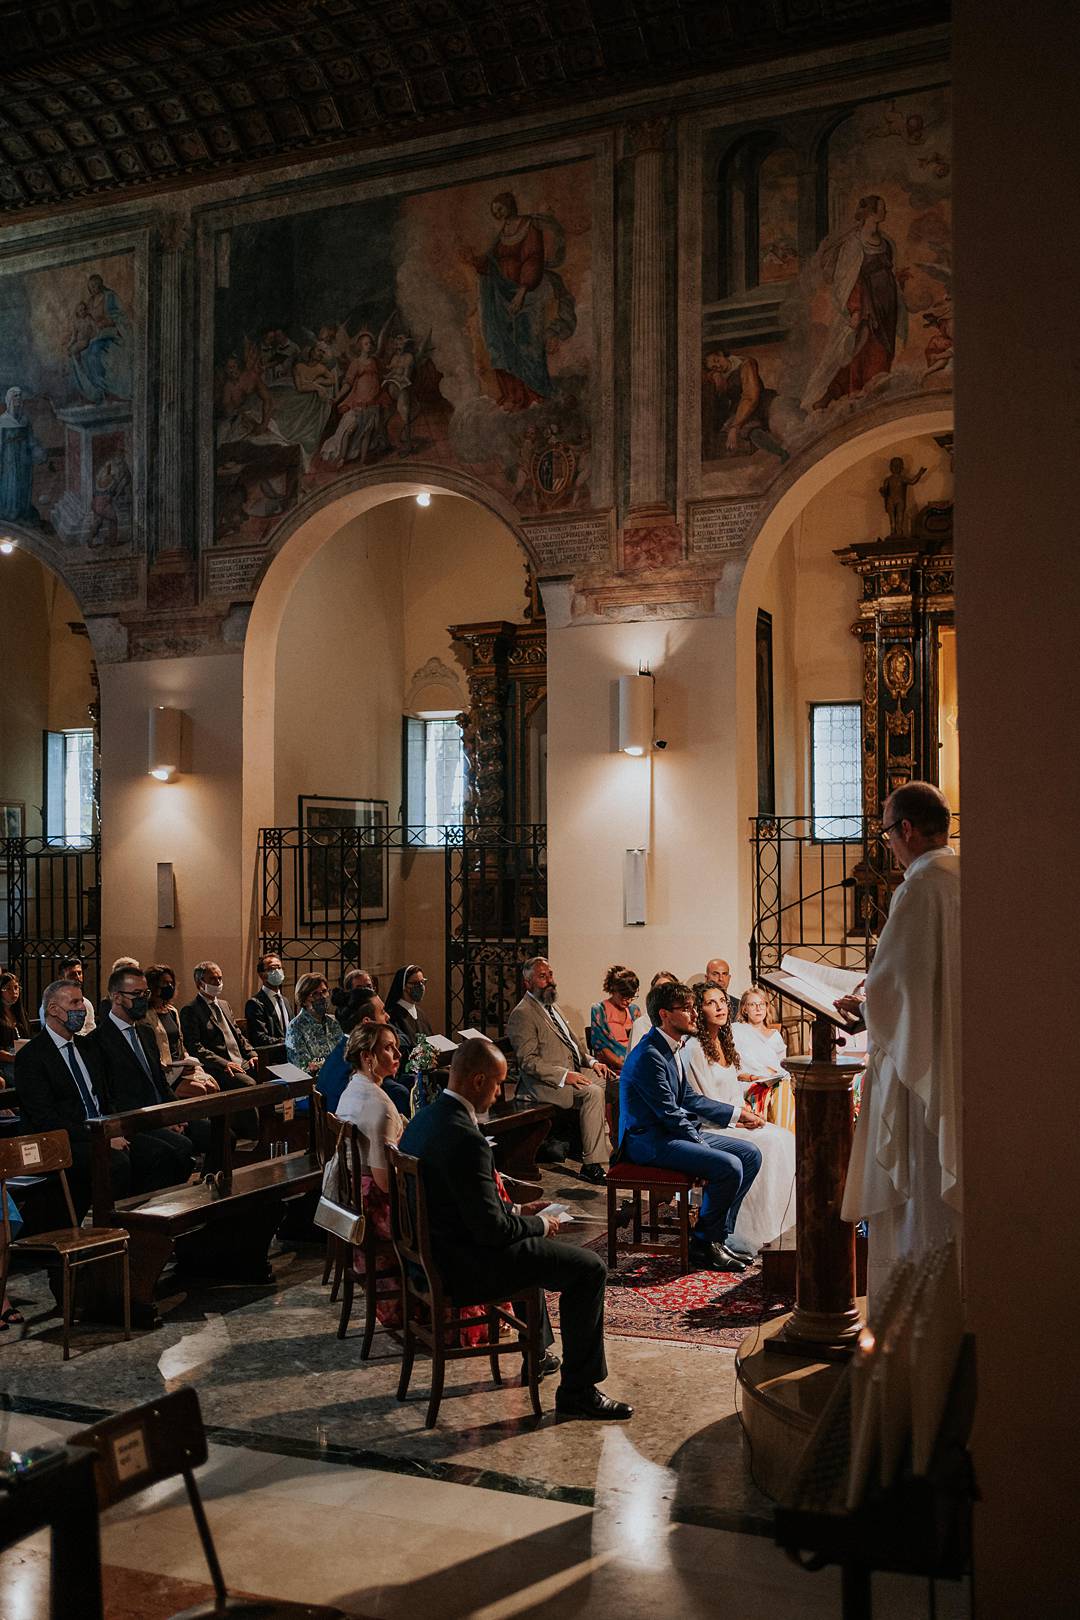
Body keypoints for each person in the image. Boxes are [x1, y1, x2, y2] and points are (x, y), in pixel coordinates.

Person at [399, 1037, 633, 1421]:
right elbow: (492, 1230)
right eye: (497, 1084)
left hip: (435, 1256)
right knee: (588, 1268)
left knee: (541, 1253)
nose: (499, 1093)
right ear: (477, 1081)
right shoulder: (466, 1138)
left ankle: (537, 1352)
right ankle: (578, 1390)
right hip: (465, 1267)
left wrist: (520, 1208)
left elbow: (465, 1203)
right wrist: (539, 1223)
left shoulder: (426, 1118)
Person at [840, 781, 961, 1304]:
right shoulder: (964, 877)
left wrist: (862, 1005)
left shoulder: (919, 887)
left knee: (919, 1199)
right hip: (955, 1059)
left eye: (888, 830)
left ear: (907, 829)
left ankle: (911, 1328)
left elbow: (895, 992)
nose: (888, 841)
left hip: (921, 1071)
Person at [619, 979, 764, 1273]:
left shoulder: (670, 1045)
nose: (695, 1014)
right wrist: (700, 1149)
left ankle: (717, 1237)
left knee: (750, 1155)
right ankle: (703, 1242)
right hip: (648, 1142)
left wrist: (733, 1115)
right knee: (728, 1166)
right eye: (686, 1009)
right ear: (664, 1015)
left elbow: (687, 1097)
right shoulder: (650, 1055)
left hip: (670, 1134)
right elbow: (669, 1113)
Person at [683, 987, 796, 1254]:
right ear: (700, 1010)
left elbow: (733, 1090)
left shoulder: (724, 1042)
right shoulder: (694, 1048)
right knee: (767, 1145)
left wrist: (747, 1113)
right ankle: (743, 1230)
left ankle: (777, 1227)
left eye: (722, 1001)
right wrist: (739, 1118)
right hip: (709, 1126)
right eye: (711, 1003)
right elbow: (701, 1101)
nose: (720, 1007)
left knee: (784, 1138)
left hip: (732, 1119)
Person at [14, 979, 132, 1221]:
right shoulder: (33, 1057)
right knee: (115, 1163)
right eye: (75, 1003)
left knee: (167, 1152)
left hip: (100, 1130)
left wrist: (115, 1128)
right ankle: (105, 1231)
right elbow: (45, 1119)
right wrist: (100, 1137)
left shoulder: (87, 1047)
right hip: (62, 1139)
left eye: (82, 1002)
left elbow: (105, 1097)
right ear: (54, 1010)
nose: (82, 1008)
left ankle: (143, 1232)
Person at [506, 956, 612, 1183]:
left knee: (618, 1083)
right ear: (528, 983)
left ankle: (623, 1150)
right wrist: (566, 1075)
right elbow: (528, 1061)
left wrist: (592, 1063)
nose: (550, 981)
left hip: (571, 1073)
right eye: (542, 977)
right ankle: (592, 1164)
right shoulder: (522, 1014)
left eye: (551, 975)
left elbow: (574, 1045)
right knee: (592, 1092)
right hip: (543, 1085)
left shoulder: (553, 1008)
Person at [89, 967, 198, 1184]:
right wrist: (158, 1120)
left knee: (219, 1133)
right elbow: (112, 1096)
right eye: (137, 995)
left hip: (160, 1112)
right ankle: (154, 1208)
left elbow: (160, 1082)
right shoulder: (98, 1040)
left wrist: (175, 1112)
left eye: (146, 994)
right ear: (117, 997)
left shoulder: (146, 1033)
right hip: (134, 1119)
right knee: (176, 1150)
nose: (143, 999)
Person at [802, 194, 903, 411]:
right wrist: (855, 309)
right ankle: (848, 390)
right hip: (866, 304)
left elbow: (889, 269)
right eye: (882, 208)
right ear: (872, 213)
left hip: (887, 304)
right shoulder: (854, 243)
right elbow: (847, 279)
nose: (886, 212)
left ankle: (876, 388)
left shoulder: (885, 242)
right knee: (859, 347)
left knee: (884, 348)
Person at [336, 1022, 406, 1330]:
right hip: (374, 1207)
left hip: (351, 1198)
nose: (397, 1053)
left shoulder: (353, 1089)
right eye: (388, 1048)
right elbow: (384, 1182)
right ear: (367, 1057)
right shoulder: (380, 1105)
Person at [144, 964, 219, 1099]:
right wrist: (176, 1069)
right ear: (154, 986)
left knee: (212, 1087)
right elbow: (151, 1050)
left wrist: (188, 1061)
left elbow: (180, 1042)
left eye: (171, 983)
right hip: (166, 1071)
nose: (169, 986)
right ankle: (190, 1120)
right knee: (199, 1090)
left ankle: (212, 1121)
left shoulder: (172, 1011)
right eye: (165, 983)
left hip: (181, 1065)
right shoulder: (146, 1015)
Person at [733, 987, 794, 1132]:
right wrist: (758, 1075)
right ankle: (786, 1136)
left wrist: (775, 1075)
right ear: (744, 1009)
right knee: (782, 1089)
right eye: (752, 1005)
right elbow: (736, 1066)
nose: (758, 1008)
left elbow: (783, 1066)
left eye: (762, 1004)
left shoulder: (775, 1035)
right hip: (750, 1082)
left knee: (784, 1086)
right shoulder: (736, 1030)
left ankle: (786, 1137)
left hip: (775, 1081)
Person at [0, 385, 48, 524]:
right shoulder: (2, 421)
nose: (19, 399)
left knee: (24, 482)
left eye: (20, 396)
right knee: (11, 482)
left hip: (23, 457)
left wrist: (38, 452)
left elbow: (31, 439)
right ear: (9, 399)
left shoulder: (25, 419)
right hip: (8, 458)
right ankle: (10, 510)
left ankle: (22, 509)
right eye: (15, 396)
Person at [285, 973, 344, 1080]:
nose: (322, 997)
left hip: (341, 1078)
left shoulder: (334, 1022)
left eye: (324, 991)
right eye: (315, 994)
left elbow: (345, 1054)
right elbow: (304, 1067)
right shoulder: (295, 1027)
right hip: (314, 1086)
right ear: (303, 999)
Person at [385, 964, 434, 1062]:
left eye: (422, 982)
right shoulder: (393, 1014)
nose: (421, 987)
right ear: (403, 986)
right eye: (415, 983)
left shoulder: (420, 1013)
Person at [245, 953, 293, 1047]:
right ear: (261, 975)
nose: (277, 971)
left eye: (279, 968)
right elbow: (259, 1037)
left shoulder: (285, 1001)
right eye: (271, 969)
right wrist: (287, 1042)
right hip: (272, 1057)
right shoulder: (255, 1003)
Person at [37, 957, 96, 1032]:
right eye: (72, 974)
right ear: (61, 978)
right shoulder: (51, 1004)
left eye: (79, 973)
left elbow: (91, 1029)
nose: (78, 977)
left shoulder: (86, 1003)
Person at [628, 970, 677, 1051]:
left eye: (667, 987)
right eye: (659, 988)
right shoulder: (641, 1024)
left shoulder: (680, 1022)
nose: (662, 992)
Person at [1, 971, 31, 1086]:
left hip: (21, 1057)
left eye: (16, 988)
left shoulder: (20, 1013)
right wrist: (13, 1057)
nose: (14, 992)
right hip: (5, 1061)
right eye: (8, 988)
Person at [704, 958, 740, 1025]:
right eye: (715, 974)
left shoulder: (739, 1005)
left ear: (729, 978)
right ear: (706, 978)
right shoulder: (697, 1004)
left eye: (724, 974)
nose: (721, 978)